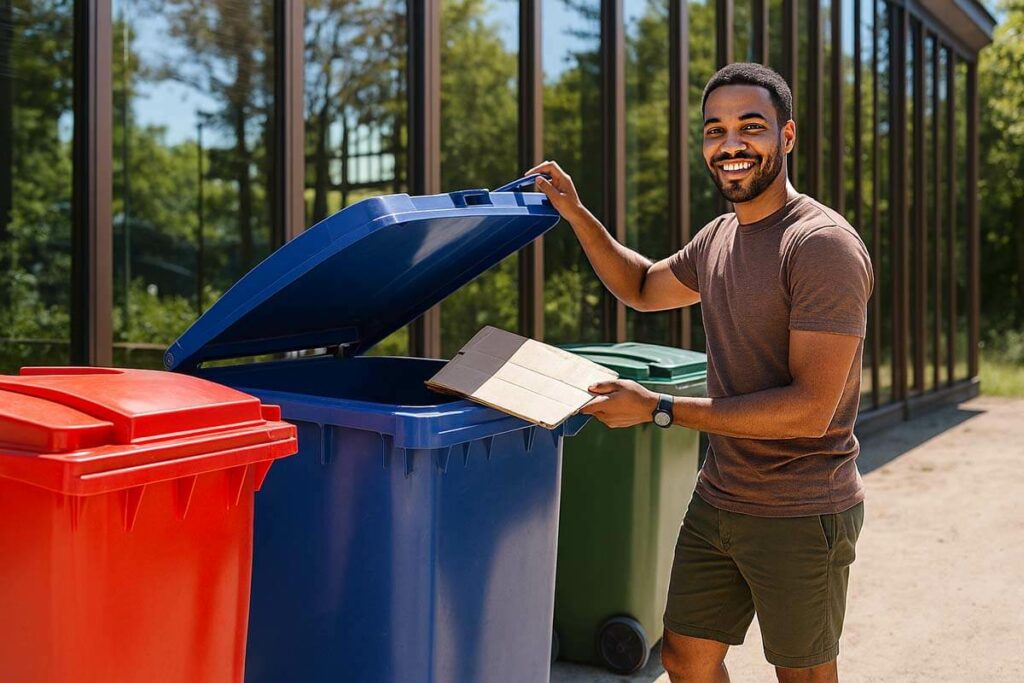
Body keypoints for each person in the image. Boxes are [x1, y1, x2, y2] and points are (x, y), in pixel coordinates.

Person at [527, 62, 873, 683]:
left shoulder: (820, 245)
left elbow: (809, 408)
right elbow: (638, 285)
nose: (731, 144)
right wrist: (576, 214)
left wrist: (659, 407)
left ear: (787, 137)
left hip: (800, 506)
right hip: (721, 497)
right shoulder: (719, 238)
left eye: (750, 127)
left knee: (804, 675)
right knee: (686, 659)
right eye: (715, 130)